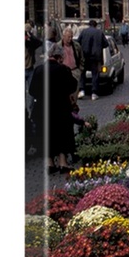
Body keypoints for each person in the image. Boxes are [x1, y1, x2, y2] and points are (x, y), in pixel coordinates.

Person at [28, 43, 78, 175]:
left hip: (42, 110)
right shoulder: (63, 70)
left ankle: (50, 163)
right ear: (60, 57)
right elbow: (73, 86)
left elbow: (32, 90)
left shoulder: (38, 70)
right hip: (61, 109)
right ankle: (63, 163)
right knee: (62, 134)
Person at [77, 19, 108, 101]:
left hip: (84, 56)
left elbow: (78, 42)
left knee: (82, 73)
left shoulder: (84, 32)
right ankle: (94, 93)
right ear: (96, 25)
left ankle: (81, 90)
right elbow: (106, 44)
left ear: (89, 25)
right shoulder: (99, 32)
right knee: (95, 74)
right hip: (96, 57)